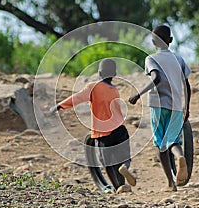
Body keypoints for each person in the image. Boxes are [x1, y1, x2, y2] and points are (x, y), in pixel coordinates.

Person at [51, 58, 136, 193]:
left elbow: (78, 97)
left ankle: (117, 187)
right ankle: (124, 168)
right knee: (124, 159)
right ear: (114, 74)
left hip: (104, 134)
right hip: (120, 129)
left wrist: (60, 105)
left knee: (107, 162)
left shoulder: (93, 87)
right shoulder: (114, 90)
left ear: (99, 73)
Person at [129, 25, 192, 191]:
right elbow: (187, 85)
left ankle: (171, 184)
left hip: (158, 105)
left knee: (160, 144)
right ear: (171, 40)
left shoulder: (151, 59)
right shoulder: (179, 59)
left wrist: (138, 94)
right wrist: (187, 106)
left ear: (153, 41)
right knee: (173, 140)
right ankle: (180, 157)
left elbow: (156, 78)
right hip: (176, 106)